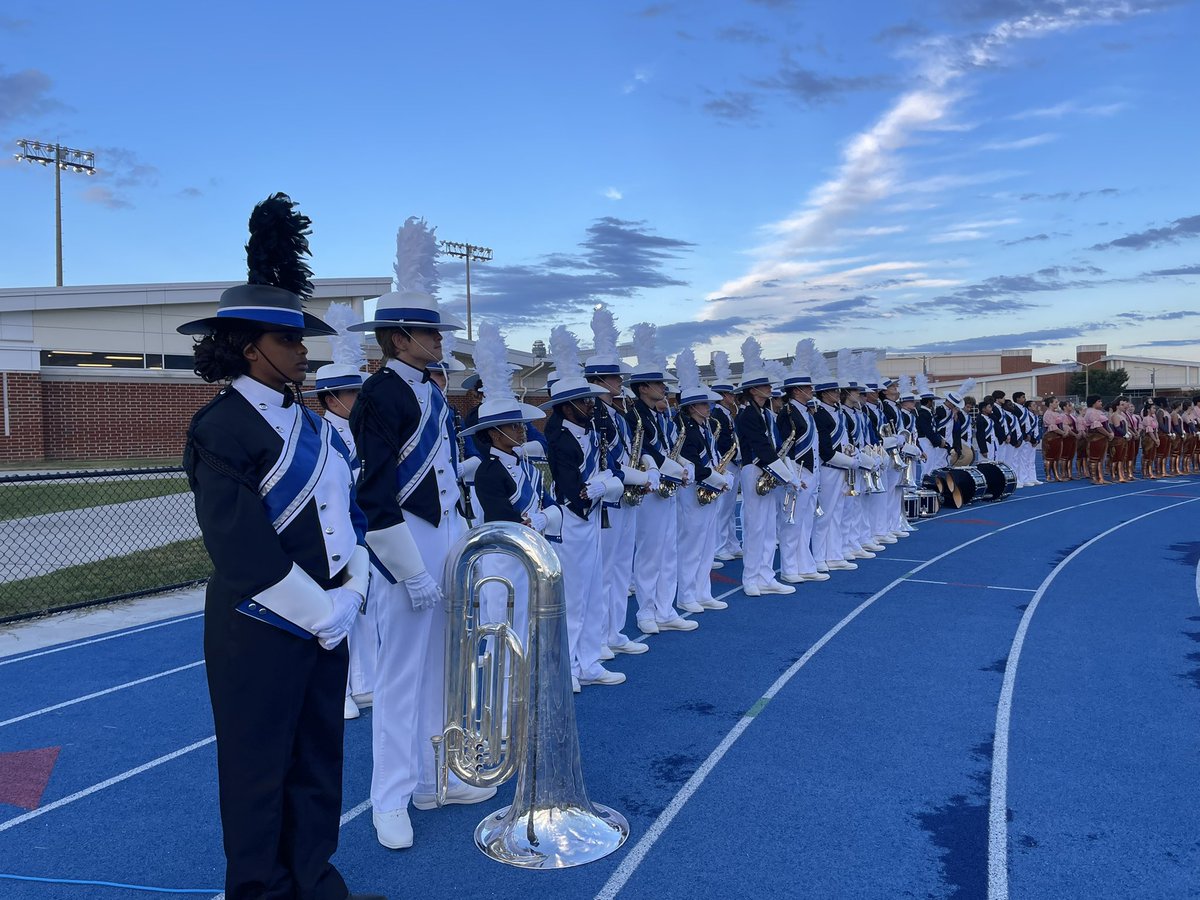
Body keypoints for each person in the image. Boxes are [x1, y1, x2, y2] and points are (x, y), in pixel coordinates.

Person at [180, 194, 383, 900]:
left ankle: (313, 879)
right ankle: (262, 892)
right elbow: (240, 549)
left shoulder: (318, 427)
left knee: (318, 763)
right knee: (258, 771)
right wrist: (322, 611)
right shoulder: (221, 428)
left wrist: (352, 590)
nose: (305, 351)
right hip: (262, 628)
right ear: (250, 347)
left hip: (328, 619)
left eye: (302, 339)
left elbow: (345, 517)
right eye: (292, 340)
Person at [348, 217, 494, 851]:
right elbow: (374, 492)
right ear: (398, 337)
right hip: (404, 542)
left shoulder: (431, 392)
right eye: (430, 331)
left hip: (443, 536)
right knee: (401, 677)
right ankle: (390, 798)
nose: (440, 340)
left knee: (445, 669)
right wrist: (407, 568)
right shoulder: (380, 394)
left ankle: (438, 777)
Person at [541, 329, 626, 686]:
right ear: (567, 406)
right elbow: (574, 492)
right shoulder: (559, 439)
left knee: (593, 593)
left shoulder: (588, 432)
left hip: (591, 517)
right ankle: (568, 668)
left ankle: (589, 661)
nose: (592, 405)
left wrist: (605, 483)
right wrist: (606, 484)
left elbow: (604, 476)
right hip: (571, 522)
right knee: (574, 598)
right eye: (585, 401)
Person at [305, 363, 375, 720]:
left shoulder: (361, 430)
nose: (359, 400)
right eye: (353, 394)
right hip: (338, 527)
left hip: (364, 524)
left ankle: (362, 681)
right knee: (339, 609)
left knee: (365, 609)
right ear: (332, 399)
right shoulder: (321, 432)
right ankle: (340, 690)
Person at [585, 307, 651, 658]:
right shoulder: (596, 414)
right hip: (608, 499)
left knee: (620, 567)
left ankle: (614, 630)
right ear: (601, 381)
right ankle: (599, 635)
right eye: (615, 379)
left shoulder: (617, 413)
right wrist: (634, 475)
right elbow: (605, 460)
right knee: (605, 570)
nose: (620, 384)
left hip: (624, 497)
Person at [626, 324, 696, 632]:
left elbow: (669, 447)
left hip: (668, 487)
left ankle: (666, 608)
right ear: (642, 387)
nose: (663, 388)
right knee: (651, 553)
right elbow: (646, 449)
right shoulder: (635, 415)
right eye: (657, 383)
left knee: (669, 551)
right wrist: (673, 468)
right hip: (650, 488)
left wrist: (685, 465)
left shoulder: (659, 414)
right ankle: (646, 612)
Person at [735, 337, 800, 595]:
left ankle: (766, 575)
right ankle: (750, 577)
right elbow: (762, 449)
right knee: (755, 528)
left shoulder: (765, 412)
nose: (769, 388)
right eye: (764, 385)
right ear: (753, 390)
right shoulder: (747, 414)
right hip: (755, 470)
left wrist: (788, 472)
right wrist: (789, 477)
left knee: (769, 526)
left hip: (769, 471)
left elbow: (775, 446)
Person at [673, 349, 734, 612]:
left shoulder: (706, 426)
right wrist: (714, 476)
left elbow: (713, 455)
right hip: (694, 490)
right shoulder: (684, 428)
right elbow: (688, 461)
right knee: (691, 544)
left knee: (707, 542)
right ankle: (686, 595)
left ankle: (702, 591)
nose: (708, 408)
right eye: (703, 404)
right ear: (692, 407)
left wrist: (724, 474)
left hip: (710, 488)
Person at [709, 351, 744, 563]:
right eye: (730, 395)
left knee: (729, 508)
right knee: (723, 509)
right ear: (723, 396)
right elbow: (721, 441)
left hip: (734, 461)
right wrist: (734, 455)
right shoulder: (718, 415)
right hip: (726, 463)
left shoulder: (727, 414)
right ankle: (720, 546)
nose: (733, 398)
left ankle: (731, 542)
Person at [1082, 394, 1113, 484]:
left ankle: (1100, 477)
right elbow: (1098, 426)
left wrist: (1110, 433)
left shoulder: (1097, 411)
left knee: (1100, 458)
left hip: (1102, 437)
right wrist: (1108, 434)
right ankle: (1094, 478)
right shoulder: (1092, 412)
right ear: (1093, 403)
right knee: (1094, 457)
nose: (1101, 403)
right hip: (1096, 437)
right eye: (1098, 401)